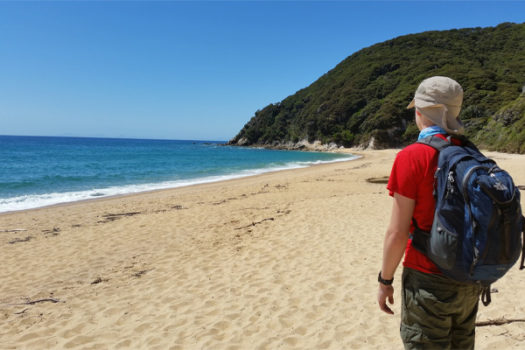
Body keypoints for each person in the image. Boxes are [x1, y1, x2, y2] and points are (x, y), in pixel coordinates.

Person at [377, 76, 481, 349]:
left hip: (427, 278)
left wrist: (384, 280)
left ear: (420, 112)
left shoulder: (412, 156)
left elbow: (397, 232)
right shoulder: (471, 153)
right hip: (471, 277)